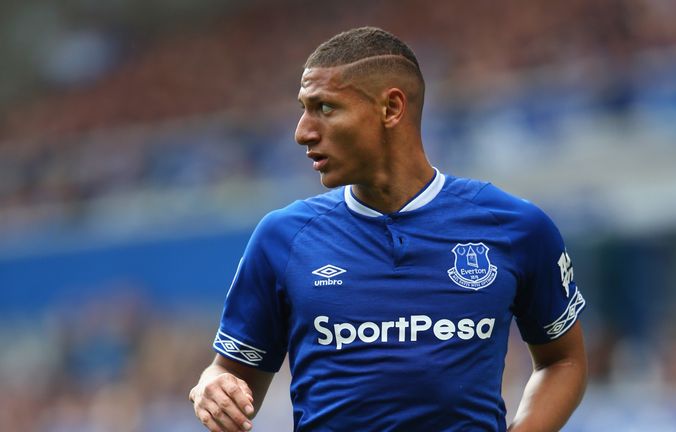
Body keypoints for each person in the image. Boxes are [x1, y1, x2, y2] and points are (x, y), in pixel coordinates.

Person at [190, 26, 587, 432]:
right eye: (304, 109)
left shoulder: (514, 227)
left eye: (324, 108)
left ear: (391, 109)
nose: (302, 132)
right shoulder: (283, 238)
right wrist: (212, 386)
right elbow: (231, 377)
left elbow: (564, 360)